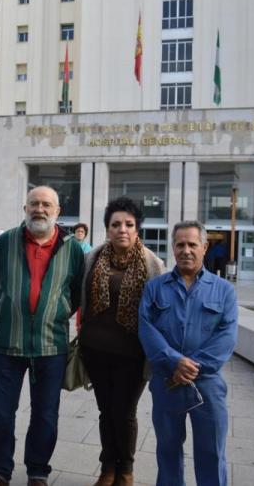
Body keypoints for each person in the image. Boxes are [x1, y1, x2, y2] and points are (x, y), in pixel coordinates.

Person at [0, 186, 84, 486]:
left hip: (51, 346)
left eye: (46, 205)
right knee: (1, 413)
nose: (39, 209)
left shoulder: (72, 248)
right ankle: (0, 471)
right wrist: (10, 309)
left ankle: (37, 471)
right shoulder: (5, 242)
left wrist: (55, 312)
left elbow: (76, 292)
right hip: (7, 343)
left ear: (57, 212)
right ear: (25, 208)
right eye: (34, 204)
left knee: (45, 415)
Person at [139, 221, 238, 486]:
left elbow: (226, 338)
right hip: (166, 383)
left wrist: (191, 367)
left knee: (211, 452)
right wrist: (174, 361)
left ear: (204, 247)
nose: (186, 250)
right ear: (173, 248)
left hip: (207, 385)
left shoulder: (224, 290)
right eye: (180, 244)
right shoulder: (155, 288)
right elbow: (146, 329)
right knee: (168, 451)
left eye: (192, 244)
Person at [78, 197, 165, 486]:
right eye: (116, 224)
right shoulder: (92, 258)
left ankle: (125, 469)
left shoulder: (153, 264)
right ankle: (107, 468)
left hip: (133, 355)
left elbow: (162, 312)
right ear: (107, 228)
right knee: (106, 411)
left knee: (124, 412)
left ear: (137, 229)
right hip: (96, 351)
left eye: (129, 224)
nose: (122, 229)